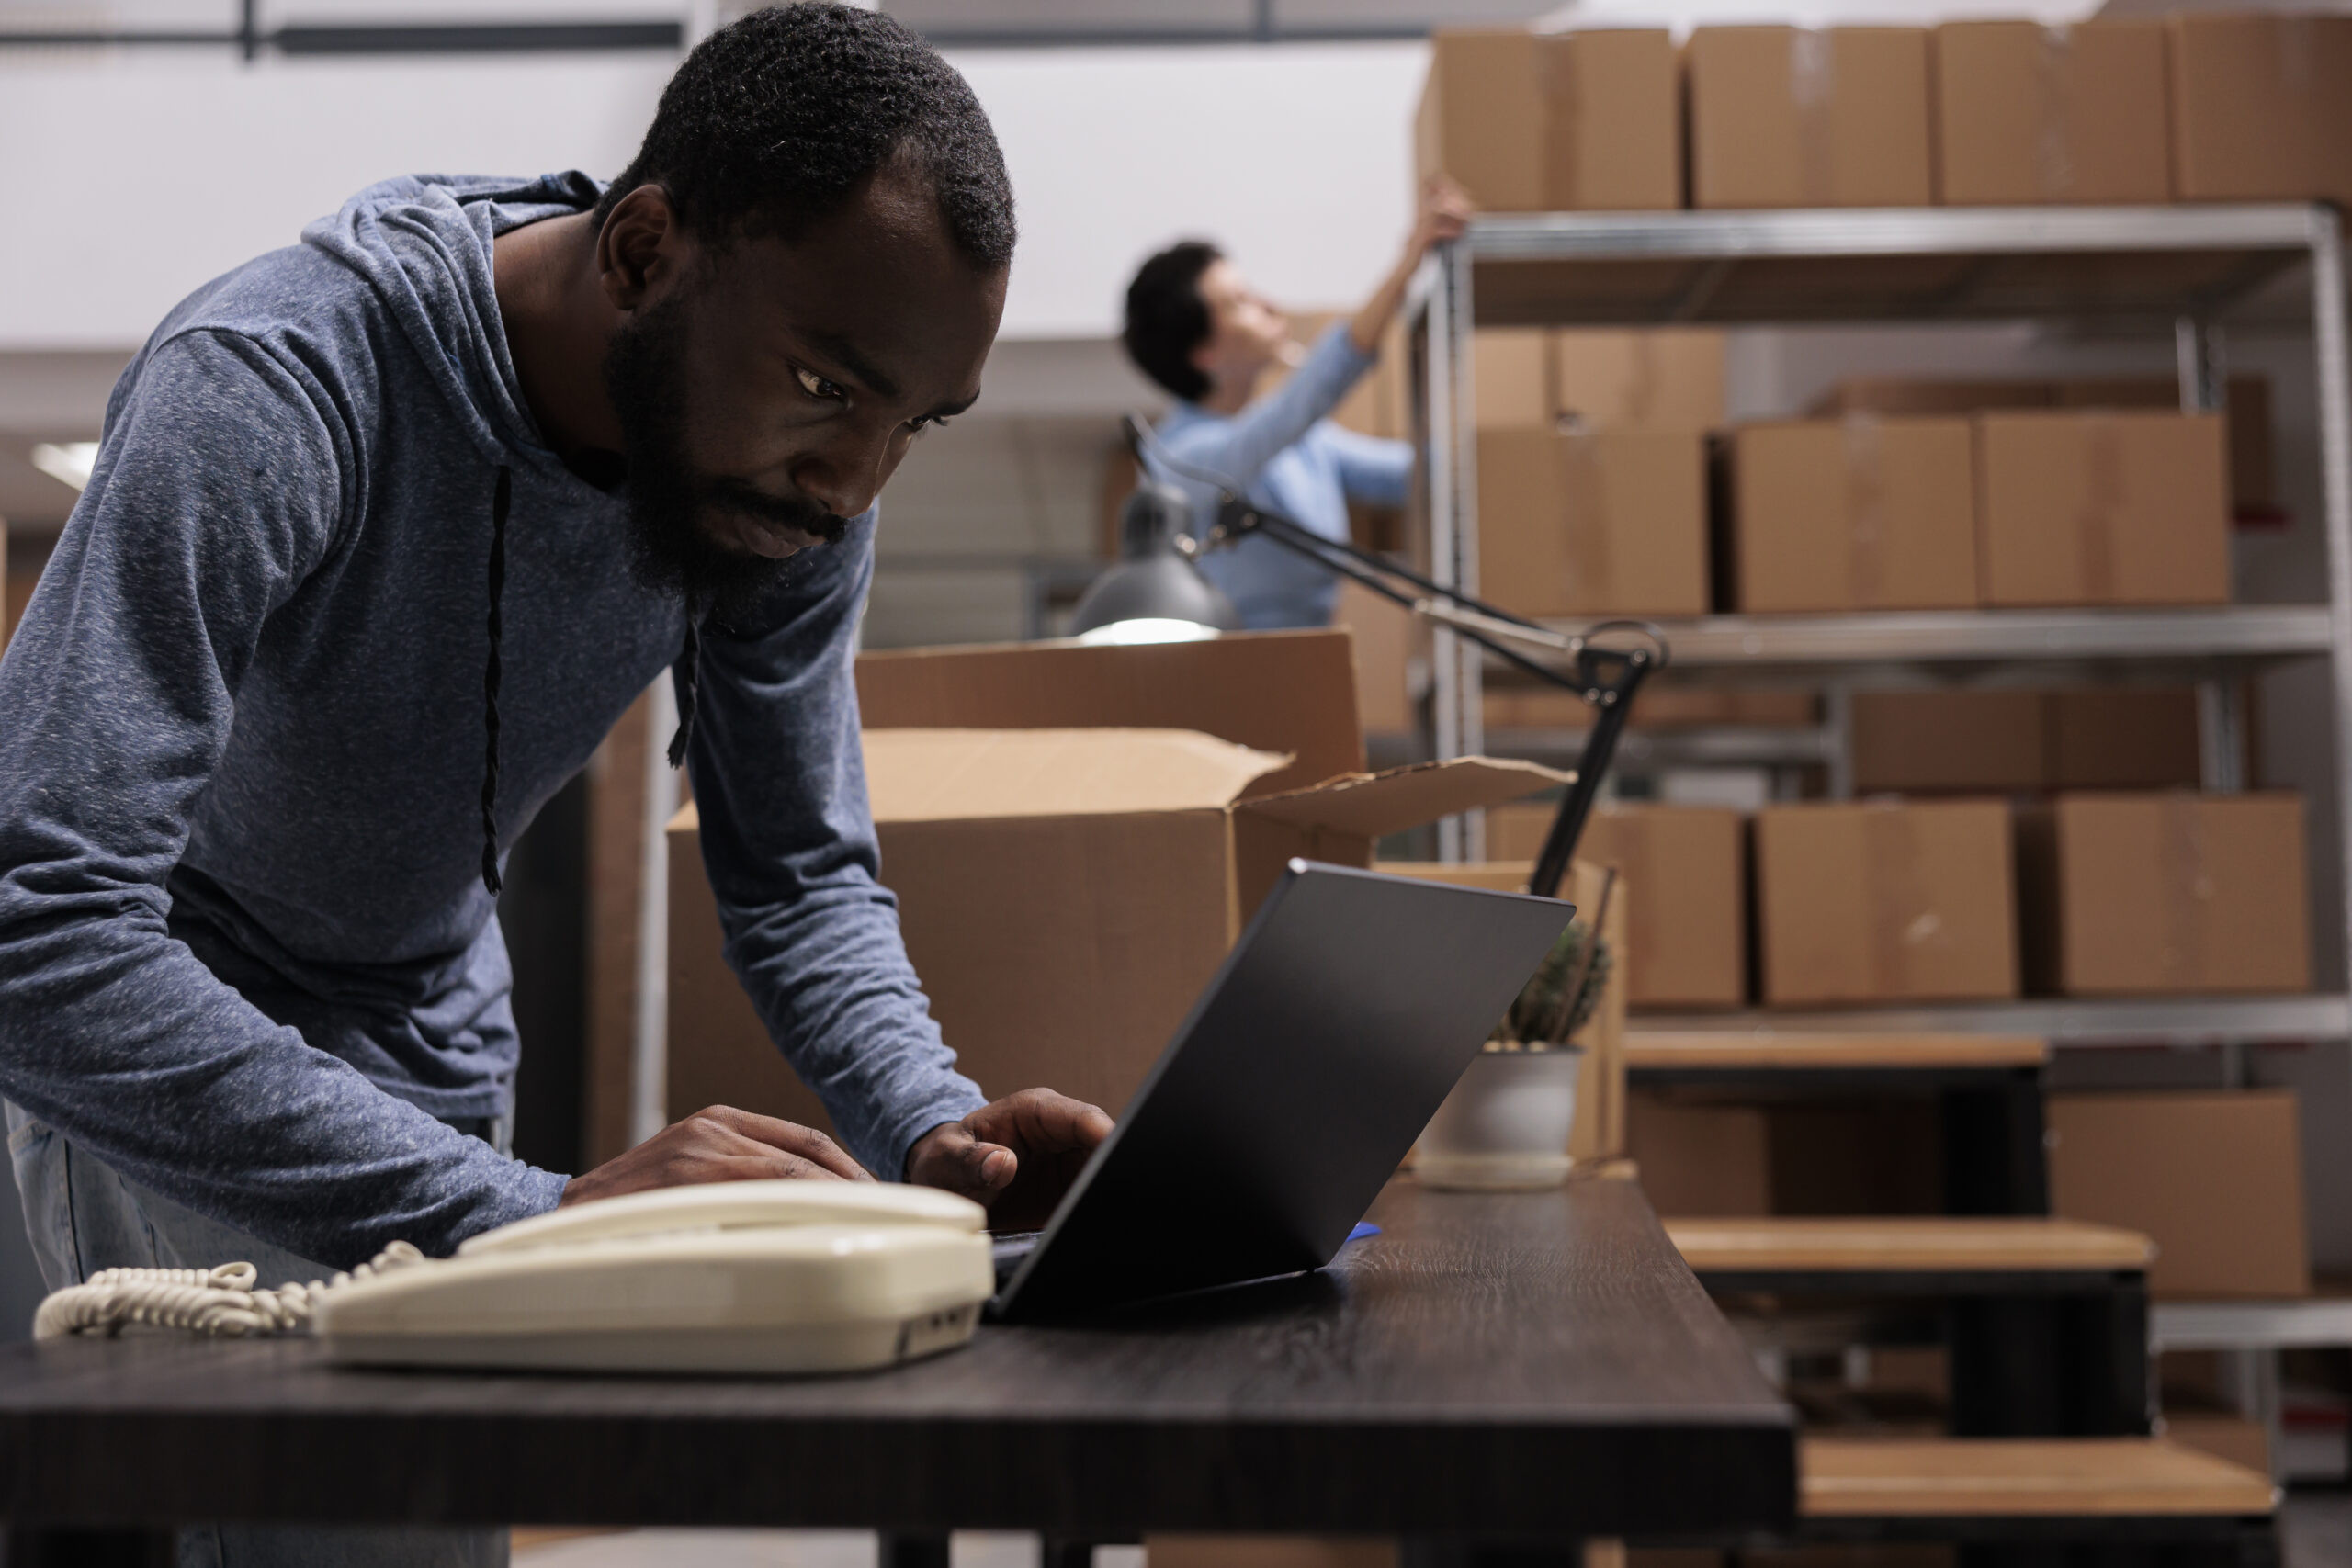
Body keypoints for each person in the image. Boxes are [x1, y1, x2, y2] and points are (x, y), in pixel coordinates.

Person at [0, 8, 1110, 1561]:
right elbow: (40, 933)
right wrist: (529, 1208)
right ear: (648, 250)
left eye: (909, 424)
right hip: (168, 1039)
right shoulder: (271, 386)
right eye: (820, 383)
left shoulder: (787, 490)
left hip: (434, 1022)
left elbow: (794, 874)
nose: (855, 482)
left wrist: (937, 1135)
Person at [1119, 179, 1472, 630]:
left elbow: (1412, 475)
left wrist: (1502, 461)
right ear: (1204, 352)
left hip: (1315, 651)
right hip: (1240, 669)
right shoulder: (1176, 462)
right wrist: (1406, 264)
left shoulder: (1303, 444)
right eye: (1240, 302)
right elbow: (1292, 412)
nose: (1269, 305)